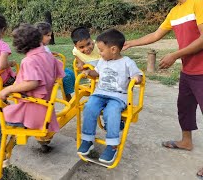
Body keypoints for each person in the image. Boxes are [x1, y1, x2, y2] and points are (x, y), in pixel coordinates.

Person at [123, 0, 203, 176]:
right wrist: (131, 43)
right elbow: (156, 34)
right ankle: (186, 141)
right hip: (188, 71)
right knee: (184, 108)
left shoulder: (198, 3)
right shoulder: (175, 11)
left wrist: (174, 55)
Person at [0, 24, 64, 169]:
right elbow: (58, 74)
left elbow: (32, 82)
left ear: (20, 45)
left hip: (34, 112)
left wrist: (8, 89)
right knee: (8, 110)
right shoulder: (47, 55)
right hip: (45, 108)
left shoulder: (29, 60)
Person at [77, 29, 142, 163]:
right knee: (89, 107)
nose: (99, 53)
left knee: (111, 111)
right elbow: (96, 73)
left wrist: (136, 78)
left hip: (118, 96)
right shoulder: (102, 61)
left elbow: (138, 74)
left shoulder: (127, 62)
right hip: (100, 93)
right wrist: (89, 72)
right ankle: (87, 139)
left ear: (113, 49)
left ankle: (112, 145)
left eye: (101, 50)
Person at [36, 22, 75, 102]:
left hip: (53, 68)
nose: (50, 38)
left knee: (70, 72)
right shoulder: (39, 48)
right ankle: (67, 97)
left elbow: (47, 56)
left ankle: (69, 93)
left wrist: (51, 54)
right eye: (47, 36)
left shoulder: (44, 46)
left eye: (50, 35)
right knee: (66, 76)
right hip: (48, 72)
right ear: (39, 36)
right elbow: (43, 61)